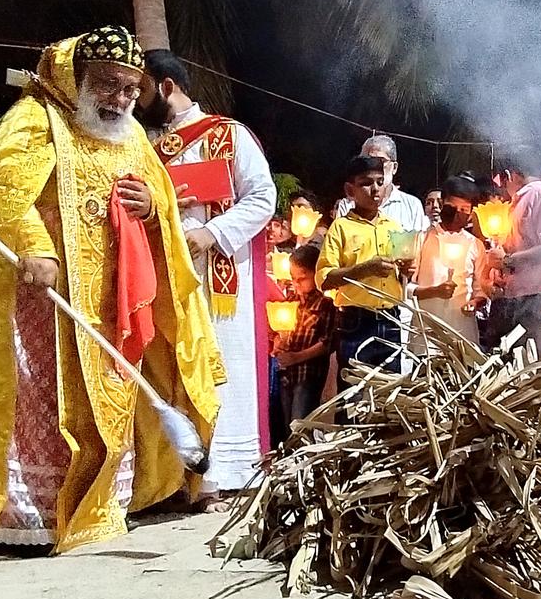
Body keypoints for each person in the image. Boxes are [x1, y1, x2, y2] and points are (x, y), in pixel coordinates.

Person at [0, 26, 225, 572]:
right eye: (108, 85)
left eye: (128, 88)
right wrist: (35, 247)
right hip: (36, 301)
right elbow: (5, 192)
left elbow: (158, 197)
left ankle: (100, 505)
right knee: (38, 407)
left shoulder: (134, 137)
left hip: (110, 299)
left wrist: (150, 207)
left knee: (108, 398)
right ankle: (29, 521)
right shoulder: (35, 118)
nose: (119, 100)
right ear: (76, 76)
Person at [138, 48, 277, 508]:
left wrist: (211, 233)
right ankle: (177, 478)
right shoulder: (147, 150)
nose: (134, 101)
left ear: (165, 86)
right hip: (166, 282)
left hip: (220, 282)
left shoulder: (228, 135)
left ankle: (223, 477)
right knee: (172, 373)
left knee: (222, 374)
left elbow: (262, 198)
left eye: (140, 89)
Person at [318, 155, 408, 383]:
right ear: (350, 190)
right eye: (366, 183)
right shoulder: (341, 227)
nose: (375, 189)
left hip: (391, 319)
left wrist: (408, 269)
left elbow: (404, 278)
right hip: (355, 322)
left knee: (388, 394)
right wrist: (364, 269)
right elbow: (324, 279)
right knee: (353, 394)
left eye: (380, 182)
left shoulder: (394, 227)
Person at [484, 150, 541, 358]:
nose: (501, 188)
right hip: (512, 299)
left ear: (509, 174)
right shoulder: (518, 201)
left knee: (530, 369)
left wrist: (507, 261)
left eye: (500, 181)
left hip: (535, 300)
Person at [411, 174, 487, 352]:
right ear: (442, 203)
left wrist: (475, 302)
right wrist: (433, 291)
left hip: (462, 334)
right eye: (452, 207)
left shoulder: (475, 245)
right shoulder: (421, 239)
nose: (457, 214)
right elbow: (406, 288)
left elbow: (481, 289)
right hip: (426, 335)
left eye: (464, 209)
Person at [273, 245, 335, 424]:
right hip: (287, 374)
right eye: (293, 279)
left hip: (308, 374)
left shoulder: (325, 304)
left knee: (299, 423)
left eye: (302, 278)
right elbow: (280, 331)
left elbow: (327, 343)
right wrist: (279, 342)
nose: (296, 284)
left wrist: (296, 357)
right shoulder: (290, 302)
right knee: (285, 424)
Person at [333, 135, 428, 233]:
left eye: (381, 161)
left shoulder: (412, 206)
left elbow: (418, 245)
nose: (374, 167)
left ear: (394, 168)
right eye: (368, 161)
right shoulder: (347, 205)